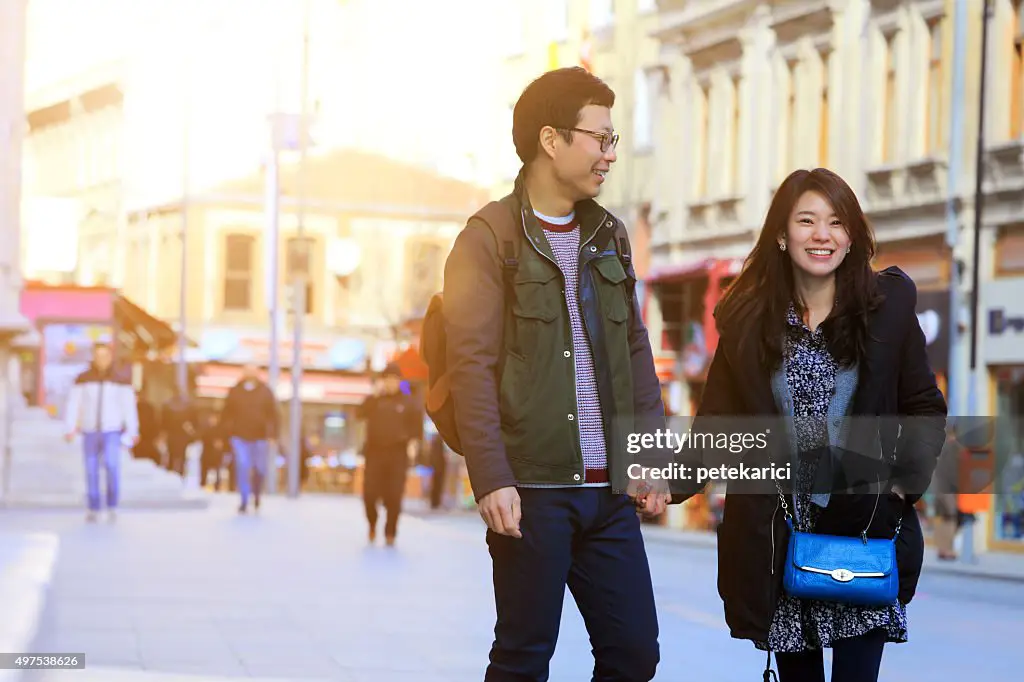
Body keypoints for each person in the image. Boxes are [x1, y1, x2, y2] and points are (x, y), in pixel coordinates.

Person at [670, 168, 947, 682]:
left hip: (861, 532)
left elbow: (925, 407)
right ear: (781, 233)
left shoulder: (885, 312)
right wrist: (669, 484)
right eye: (807, 221)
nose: (822, 234)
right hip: (784, 540)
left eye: (836, 222)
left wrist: (901, 491)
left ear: (851, 237)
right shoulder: (749, 323)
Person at [442, 67, 669, 682]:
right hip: (532, 489)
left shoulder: (609, 235)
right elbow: (472, 367)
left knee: (633, 654)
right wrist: (490, 477)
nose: (610, 154)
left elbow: (635, 351)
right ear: (551, 140)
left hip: (609, 495)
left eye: (613, 139)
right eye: (600, 138)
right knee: (523, 656)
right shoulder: (488, 238)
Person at [63, 342, 139, 522]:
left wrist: (133, 429)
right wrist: (70, 427)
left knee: (112, 466)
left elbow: (128, 407)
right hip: (90, 430)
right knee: (91, 469)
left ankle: (112, 504)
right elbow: (74, 405)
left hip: (112, 431)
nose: (101, 360)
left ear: (110, 357)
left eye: (105, 355)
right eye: (98, 356)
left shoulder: (120, 380)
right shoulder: (83, 379)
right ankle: (93, 506)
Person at [357, 362, 421, 546]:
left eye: (394, 380)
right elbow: (359, 414)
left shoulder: (408, 402)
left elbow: (416, 429)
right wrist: (373, 395)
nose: (390, 383)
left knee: (394, 496)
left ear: (400, 381)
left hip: (397, 455)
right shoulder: (374, 401)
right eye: (387, 380)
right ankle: (372, 523)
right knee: (369, 494)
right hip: (374, 454)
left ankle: (390, 532)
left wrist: (413, 446)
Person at [218, 364, 279, 514]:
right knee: (243, 465)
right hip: (239, 436)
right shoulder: (235, 391)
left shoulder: (266, 391)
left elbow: (274, 414)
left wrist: (273, 435)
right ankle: (244, 499)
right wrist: (223, 435)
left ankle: (256, 494)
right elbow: (226, 414)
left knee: (260, 468)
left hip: (260, 437)